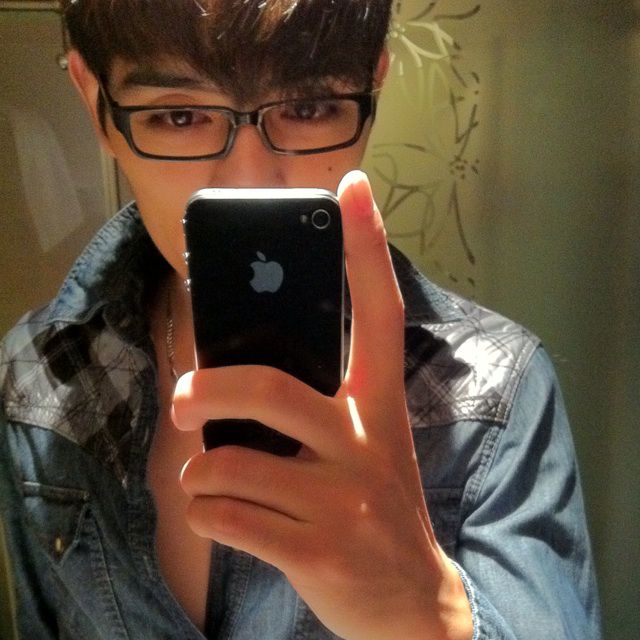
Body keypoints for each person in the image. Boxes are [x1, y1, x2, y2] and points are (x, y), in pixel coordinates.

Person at [0, 1, 601, 638]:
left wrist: (430, 614)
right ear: (95, 101)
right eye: (179, 116)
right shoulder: (37, 374)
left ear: (372, 86)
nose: (250, 181)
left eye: (309, 107)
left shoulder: (498, 388)